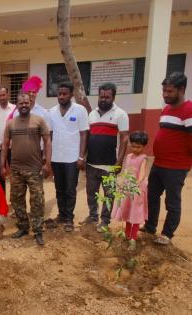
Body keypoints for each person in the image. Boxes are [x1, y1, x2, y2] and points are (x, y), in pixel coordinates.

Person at [142, 72, 192, 245]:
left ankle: (167, 234)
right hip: (159, 163)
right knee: (152, 196)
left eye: (170, 91)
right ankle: (150, 226)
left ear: (182, 89)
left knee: (172, 201)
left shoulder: (189, 110)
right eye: (164, 91)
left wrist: (185, 162)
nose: (165, 95)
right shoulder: (166, 109)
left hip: (176, 167)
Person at [1, 93, 52, 246]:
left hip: (34, 169)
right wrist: (2, 165)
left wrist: (47, 163)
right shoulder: (10, 123)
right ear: (17, 104)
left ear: (30, 103)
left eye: (26, 103)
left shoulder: (39, 120)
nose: (24, 105)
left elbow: (47, 141)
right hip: (16, 169)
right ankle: (23, 227)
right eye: (21, 103)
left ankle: (37, 231)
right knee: (17, 200)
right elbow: (4, 145)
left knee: (37, 201)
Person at [81, 82, 129, 232]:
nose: (103, 99)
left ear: (113, 97)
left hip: (109, 165)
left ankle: (105, 221)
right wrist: (83, 157)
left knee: (108, 195)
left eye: (107, 97)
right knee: (91, 193)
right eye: (101, 96)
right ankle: (93, 215)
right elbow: (87, 137)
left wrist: (119, 161)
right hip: (92, 164)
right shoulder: (92, 114)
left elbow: (124, 138)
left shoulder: (120, 114)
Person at [47, 82, 89, 232]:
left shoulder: (80, 110)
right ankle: (62, 215)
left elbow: (84, 134)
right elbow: (49, 136)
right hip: (57, 157)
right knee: (59, 189)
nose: (61, 96)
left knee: (70, 189)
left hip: (72, 158)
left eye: (65, 94)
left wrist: (81, 157)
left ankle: (69, 218)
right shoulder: (51, 111)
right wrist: (48, 158)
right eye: (59, 94)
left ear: (71, 94)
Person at [111, 131, 149, 251]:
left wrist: (137, 183)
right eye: (133, 146)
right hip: (127, 187)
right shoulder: (128, 157)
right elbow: (126, 171)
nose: (136, 149)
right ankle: (127, 235)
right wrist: (122, 183)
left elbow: (142, 172)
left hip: (137, 189)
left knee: (136, 213)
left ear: (144, 146)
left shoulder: (144, 158)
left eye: (139, 147)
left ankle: (133, 238)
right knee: (127, 211)